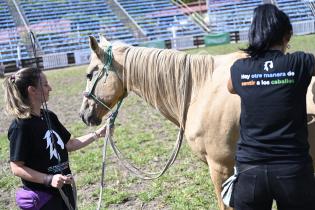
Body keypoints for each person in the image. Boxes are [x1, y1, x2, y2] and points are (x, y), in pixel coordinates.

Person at [227, 4, 315, 210]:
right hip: (293, 171)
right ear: (287, 35)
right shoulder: (300, 63)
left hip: (250, 171)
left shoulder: (239, 69)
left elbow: (231, 88)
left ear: (254, 35)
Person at [3, 67, 107, 210]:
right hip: (44, 199)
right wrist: (48, 179)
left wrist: (97, 134)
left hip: (64, 190)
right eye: (45, 85)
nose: (50, 88)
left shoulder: (49, 116)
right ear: (32, 90)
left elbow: (69, 144)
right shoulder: (21, 126)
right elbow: (16, 167)